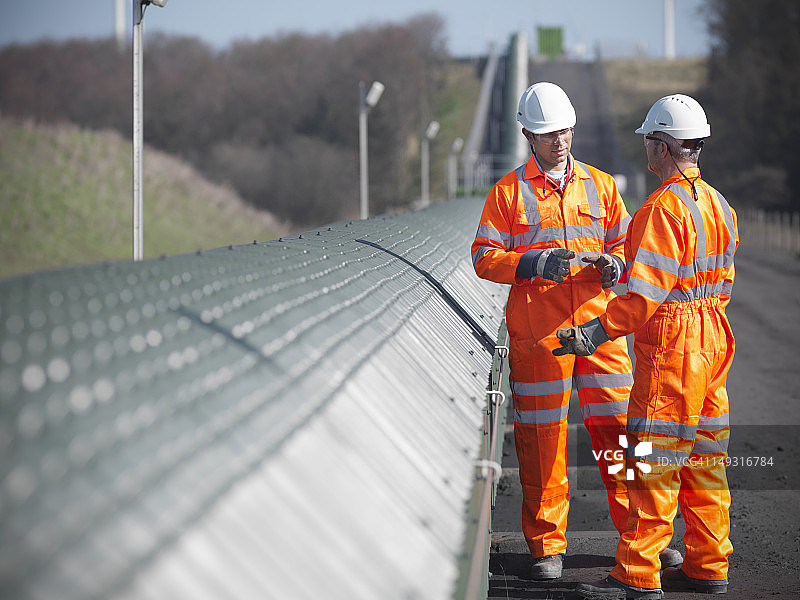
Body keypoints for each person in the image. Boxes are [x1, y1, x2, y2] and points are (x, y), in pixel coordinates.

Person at [555, 94, 737, 599]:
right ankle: (708, 564)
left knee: (653, 457)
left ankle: (635, 574)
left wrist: (595, 333)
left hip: (675, 344)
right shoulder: (719, 204)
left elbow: (644, 297)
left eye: (648, 142)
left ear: (661, 146)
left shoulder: (660, 208)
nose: (646, 150)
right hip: (714, 337)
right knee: (705, 458)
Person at [471, 81, 651, 580]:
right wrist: (531, 263)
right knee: (543, 443)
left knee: (622, 434)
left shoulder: (602, 185)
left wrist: (616, 264)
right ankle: (547, 547)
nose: (559, 141)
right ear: (528, 135)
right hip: (540, 337)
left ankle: (643, 538)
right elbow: (483, 257)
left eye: (565, 131)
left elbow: (625, 243)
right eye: (549, 134)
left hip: (600, 331)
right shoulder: (507, 193)